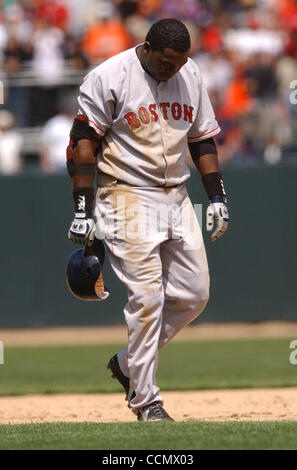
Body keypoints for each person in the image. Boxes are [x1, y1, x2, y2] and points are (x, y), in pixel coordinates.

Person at [66, 18, 229, 422]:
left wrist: (217, 196)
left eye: (180, 62)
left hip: (175, 193)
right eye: (166, 61)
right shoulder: (109, 77)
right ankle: (146, 401)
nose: (172, 69)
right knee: (148, 297)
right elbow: (83, 146)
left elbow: (202, 138)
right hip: (124, 193)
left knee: (194, 295)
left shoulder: (189, 73)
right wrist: (83, 211)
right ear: (149, 48)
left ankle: (126, 365)